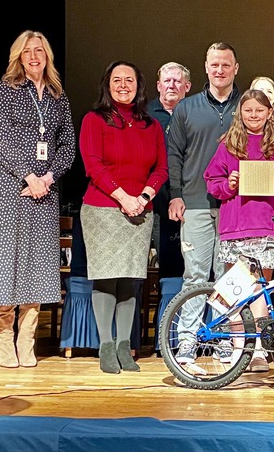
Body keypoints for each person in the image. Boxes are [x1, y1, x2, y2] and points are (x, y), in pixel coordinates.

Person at [0, 30, 75, 369]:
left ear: (47, 56)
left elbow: (68, 144)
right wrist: (28, 176)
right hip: (9, 187)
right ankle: (5, 337)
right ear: (18, 57)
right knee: (5, 260)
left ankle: (27, 338)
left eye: (39, 51)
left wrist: (47, 178)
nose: (34, 56)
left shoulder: (58, 95)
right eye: (27, 51)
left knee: (39, 261)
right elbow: (0, 139)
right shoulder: (7, 89)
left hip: (45, 190)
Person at [79, 61, 168, 374]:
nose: (123, 85)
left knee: (130, 280)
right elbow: (93, 164)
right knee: (106, 277)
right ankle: (106, 345)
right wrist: (123, 197)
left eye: (129, 80)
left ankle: (123, 345)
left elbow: (161, 169)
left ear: (138, 86)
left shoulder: (151, 125)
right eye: (116, 80)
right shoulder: (94, 120)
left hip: (140, 211)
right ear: (107, 85)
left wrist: (142, 198)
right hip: (103, 209)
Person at [204, 89, 274, 371]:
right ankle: (237, 348)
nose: (253, 115)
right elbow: (212, 182)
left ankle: (257, 350)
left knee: (258, 289)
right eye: (248, 110)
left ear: (269, 113)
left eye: (259, 110)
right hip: (236, 225)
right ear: (240, 113)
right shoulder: (228, 144)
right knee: (235, 289)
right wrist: (228, 184)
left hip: (268, 224)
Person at [166, 42, 242, 292]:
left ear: (236, 68)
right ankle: (190, 322)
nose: (220, 70)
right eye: (215, 65)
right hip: (195, 203)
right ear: (206, 67)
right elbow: (174, 154)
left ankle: (224, 321)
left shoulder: (247, 107)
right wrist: (175, 195)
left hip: (236, 204)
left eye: (226, 65)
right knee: (194, 278)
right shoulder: (186, 108)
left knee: (229, 279)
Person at [147, 62, 191, 280]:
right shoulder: (145, 115)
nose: (171, 85)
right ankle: (166, 302)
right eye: (167, 81)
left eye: (177, 81)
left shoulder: (194, 113)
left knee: (189, 263)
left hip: (189, 199)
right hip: (155, 202)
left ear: (187, 86)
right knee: (165, 263)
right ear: (158, 85)